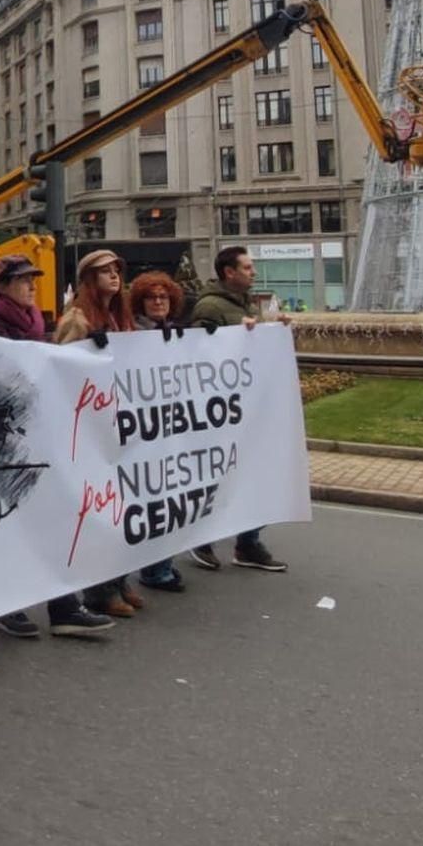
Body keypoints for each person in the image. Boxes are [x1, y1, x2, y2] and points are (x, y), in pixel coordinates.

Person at [0, 255, 114, 642]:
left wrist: (84, 349)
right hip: (7, 440)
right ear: (2, 286)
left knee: (53, 519)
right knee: (12, 524)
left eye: (32, 279)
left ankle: (64, 606)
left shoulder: (36, 321)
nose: (32, 285)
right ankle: (8, 605)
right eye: (23, 280)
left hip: (39, 433)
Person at [183, 246, 286, 575]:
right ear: (229, 272)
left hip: (244, 408)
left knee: (254, 474)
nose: (253, 272)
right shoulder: (210, 306)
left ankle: (248, 542)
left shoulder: (243, 303)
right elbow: (196, 356)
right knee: (215, 477)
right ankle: (202, 538)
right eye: (247, 267)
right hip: (219, 412)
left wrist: (274, 332)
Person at [50, 251, 142, 619]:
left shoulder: (123, 318)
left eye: (116, 270)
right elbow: (60, 367)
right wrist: (85, 349)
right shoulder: (77, 318)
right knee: (97, 510)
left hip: (120, 425)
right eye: (104, 272)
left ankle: (118, 580)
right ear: (89, 280)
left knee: (122, 506)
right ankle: (98, 590)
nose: (113, 276)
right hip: (90, 429)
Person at [128, 271, 191, 595]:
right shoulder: (128, 336)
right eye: (151, 297)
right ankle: (151, 569)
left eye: (163, 297)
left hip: (171, 431)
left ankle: (161, 566)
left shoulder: (179, 334)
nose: (157, 302)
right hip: (142, 435)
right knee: (148, 501)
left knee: (170, 498)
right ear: (140, 303)